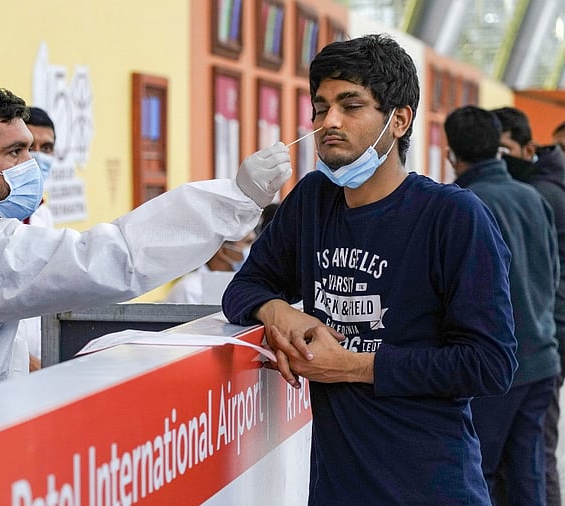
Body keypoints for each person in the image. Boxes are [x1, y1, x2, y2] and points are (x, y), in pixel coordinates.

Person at [0, 87, 292, 438]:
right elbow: (111, 258)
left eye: (34, 150)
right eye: (14, 153)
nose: (32, 166)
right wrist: (233, 198)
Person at [222, 34, 517, 504]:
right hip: (337, 487)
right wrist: (281, 314)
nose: (329, 122)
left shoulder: (453, 217)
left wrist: (354, 367)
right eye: (320, 108)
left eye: (350, 105)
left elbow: (490, 364)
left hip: (431, 488)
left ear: (398, 120)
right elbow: (245, 287)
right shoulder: (312, 202)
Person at [447, 105, 559, 505]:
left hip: (496, 367)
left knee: (482, 473)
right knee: (529, 471)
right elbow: (552, 271)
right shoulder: (532, 196)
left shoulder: (464, 205)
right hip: (542, 358)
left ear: (451, 156)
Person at [494, 105, 565, 506]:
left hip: (541, 343)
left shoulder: (540, 196)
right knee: (530, 460)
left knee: (533, 461)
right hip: (545, 341)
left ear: (527, 149)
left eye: (504, 151)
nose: (498, 161)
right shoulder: (545, 188)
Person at [16, 106, 56, 371]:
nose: (39, 156)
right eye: (31, 147)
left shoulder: (44, 216)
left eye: (47, 148)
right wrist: (28, 365)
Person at [163, 230, 256, 304]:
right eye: (248, 242)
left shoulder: (250, 283)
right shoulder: (190, 289)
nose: (254, 248)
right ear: (223, 251)